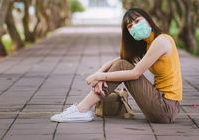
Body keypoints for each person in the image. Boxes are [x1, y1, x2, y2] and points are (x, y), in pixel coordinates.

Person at [50, 8, 182, 123]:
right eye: (130, 26)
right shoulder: (148, 44)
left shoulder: (161, 41)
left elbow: (135, 73)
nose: (134, 27)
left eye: (137, 21)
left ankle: (82, 109)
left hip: (165, 108)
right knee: (122, 63)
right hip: (160, 104)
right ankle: (82, 109)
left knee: (124, 66)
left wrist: (100, 76)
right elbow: (117, 61)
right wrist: (99, 76)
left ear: (148, 19)